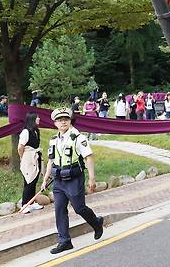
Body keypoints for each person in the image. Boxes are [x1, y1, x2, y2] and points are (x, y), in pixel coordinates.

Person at [40, 108, 103, 254]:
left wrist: (92, 178)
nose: (63, 122)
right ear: (55, 123)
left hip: (74, 178)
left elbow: (89, 157)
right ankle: (64, 241)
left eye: (66, 119)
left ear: (70, 121)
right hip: (59, 181)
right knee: (59, 210)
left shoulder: (78, 138)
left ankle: (96, 222)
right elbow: (51, 161)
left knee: (79, 208)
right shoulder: (53, 140)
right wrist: (45, 179)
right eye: (60, 120)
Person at [18, 112, 44, 213]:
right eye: (37, 118)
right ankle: (24, 205)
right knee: (28, 181)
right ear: (32, 119)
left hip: (36, 157)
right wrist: (23, 157)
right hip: (28, 158)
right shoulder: (26, 132)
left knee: (34, 180)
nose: (39, 119)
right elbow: (20, 147)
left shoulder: (36, 131)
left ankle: (32, 203)